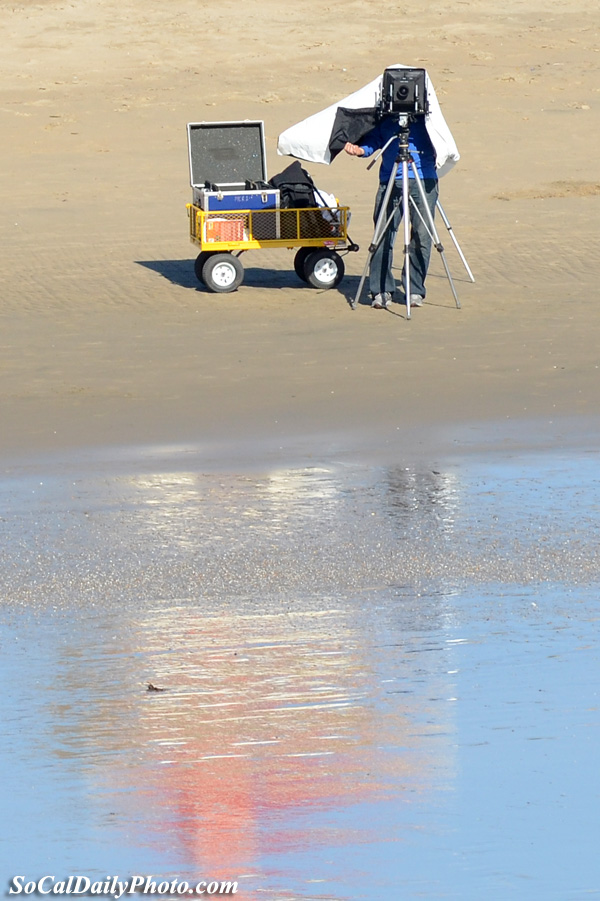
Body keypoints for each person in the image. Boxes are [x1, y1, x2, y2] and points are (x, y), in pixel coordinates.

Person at [344, 115, 438, 310]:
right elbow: (376, 138)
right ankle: (380, 289)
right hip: (391, 179)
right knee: (382, 234)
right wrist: (361, 150)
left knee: (422, 236)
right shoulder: (387, 114)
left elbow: (442, 139)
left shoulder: (428, 115)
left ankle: (414, 289)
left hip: (424, 178)